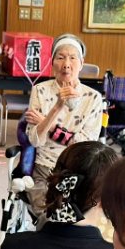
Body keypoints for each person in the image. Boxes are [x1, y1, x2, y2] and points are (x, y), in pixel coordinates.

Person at [24, 34, 104, 209]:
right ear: (52, 63)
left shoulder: (93, 98)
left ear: (81, 64)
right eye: (60, 57)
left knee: (82, 212)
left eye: (72, 58)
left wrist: (47, 124)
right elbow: (35, 140)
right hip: (45, 167)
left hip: (78, 170)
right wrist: (57, 107)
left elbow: (85, 146)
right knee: (47, 211)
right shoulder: (40, 91)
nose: (66, 64)